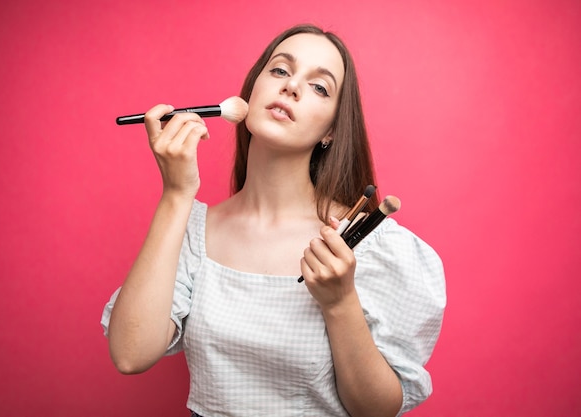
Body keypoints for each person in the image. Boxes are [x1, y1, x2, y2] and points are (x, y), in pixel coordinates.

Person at [101, 24, 446, 417]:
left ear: (331, 130)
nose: (292, 87)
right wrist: (176, 194)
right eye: (280, 70)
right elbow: (130, 355)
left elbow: (378, 411)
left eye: (320, 87)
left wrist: (340, 302)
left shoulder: (365, 242)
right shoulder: (193, 231)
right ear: (249, 94)